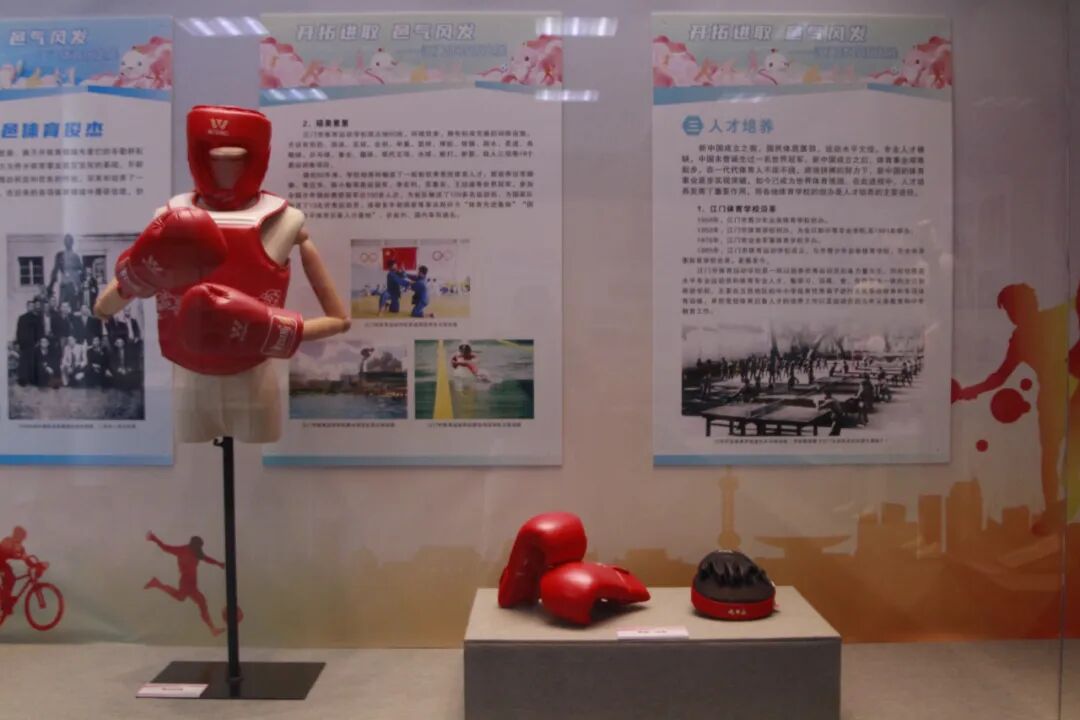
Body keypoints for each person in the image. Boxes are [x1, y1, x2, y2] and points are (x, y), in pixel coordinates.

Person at [953, 283, 1067, 533]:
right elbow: (1000, 376)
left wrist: (968, 391)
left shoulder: (1053, 320)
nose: (1012, 315)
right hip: (1052, 400)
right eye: (1009, 310)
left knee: (1054, 457)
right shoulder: (1025, 336)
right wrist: (968, 391)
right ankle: (1053, 513)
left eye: (1014, 308)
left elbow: (999, 377)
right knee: (1050, 458)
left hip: (1063, 396)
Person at [144, 532, 226, 637]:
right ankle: (212, 629)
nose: (200, 549)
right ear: (194, 544)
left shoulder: (197, 552)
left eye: (200, 547)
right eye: (199, 546)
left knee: (185, 598)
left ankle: (156, 583)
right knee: (198, 601)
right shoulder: (182, 550)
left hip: (192, 583)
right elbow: (166, 547)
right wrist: (155, 539)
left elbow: (207, 558)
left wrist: (218, 563)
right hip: (186, 582)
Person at [48, 234, 83, 311]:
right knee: (61, 306)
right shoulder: (60, 255)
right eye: (66, 241)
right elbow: (55, 270)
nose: (68, 242)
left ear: (72, 242)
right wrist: (50, 286)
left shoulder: (76, 256)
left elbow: (82, 270)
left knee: (75, 307)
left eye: (69, 241)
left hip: (74, 285)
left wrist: (80, 285)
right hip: (64, 284)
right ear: (64, 242)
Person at [15, 299, 43, 387]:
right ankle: (23, 380)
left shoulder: (36, 318)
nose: (31, 307)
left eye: (32, 306)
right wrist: (18, 342)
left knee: (32, 362)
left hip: (33, 344)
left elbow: (39, 331)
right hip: (23, 344)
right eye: (29, 306)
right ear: (27, 307)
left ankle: (32, 380)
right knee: (23, 363)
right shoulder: (21, 318)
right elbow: (18, 331)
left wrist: (38, 341)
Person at [0, 526, 27, 615]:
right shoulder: (7, 541)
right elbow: (6, 551)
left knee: (11, 579)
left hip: (2, 564)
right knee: (9, 577)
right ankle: (5, 602)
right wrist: (18, 555)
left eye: (22, 537)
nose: (21, 539)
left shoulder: (20, 547)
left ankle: (5, 598)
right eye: (20, 536)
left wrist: (36, 565)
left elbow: (26, 559)